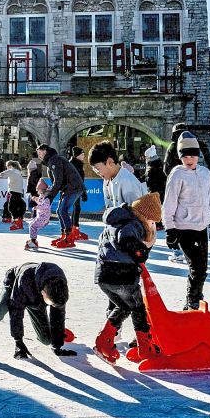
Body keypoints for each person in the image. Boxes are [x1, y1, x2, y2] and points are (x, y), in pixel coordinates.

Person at [88, 140, 161, 363]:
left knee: (128, 296)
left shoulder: (127, 182)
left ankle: (122, 336)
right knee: (127, 297)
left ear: (110, 161)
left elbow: (139, 216)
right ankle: (119, 335)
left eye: (99, 168)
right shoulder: (109, 180)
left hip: (128, 243)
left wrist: (141, 247)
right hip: (117, 247)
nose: (98, 173)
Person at [0, 262, 75, 360]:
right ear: (43, 292)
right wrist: (18, 341)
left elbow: (58, 314)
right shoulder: (25, 280)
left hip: (36, 299)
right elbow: (16, 311)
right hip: (15, 284)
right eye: (49, 303)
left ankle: (55, 332)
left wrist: (57, 345)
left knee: (47, 340)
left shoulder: (59, 285)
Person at [162, 132, 210, 311]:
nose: (189, 159)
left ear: (198, 155)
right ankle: (192, 302)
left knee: (203, 269)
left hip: (201, 227)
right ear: (180, 157)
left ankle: (196, 299)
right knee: (197, 268)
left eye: (192, 155)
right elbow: (169, 202)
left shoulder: (204, 173)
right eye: (185, 156)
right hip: (183, 228)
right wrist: (170, 229)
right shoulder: (177, 174)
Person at [37, 144, 84, 248]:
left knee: (63, 210)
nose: (38, 155)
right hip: (69, 187)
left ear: (45, 151)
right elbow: (58, 181)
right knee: (60, 211)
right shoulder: (52, 160)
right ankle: (64, 235)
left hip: (73, 187)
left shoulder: (54, 160)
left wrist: (50, 197)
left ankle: (69, 238)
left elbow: (58, 180)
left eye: (39, 152)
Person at [68, 146, 91, 240]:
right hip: (74, 189)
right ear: (77, 155)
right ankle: (73, 230)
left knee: (76, 208)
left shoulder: (77, 164)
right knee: (76, 208)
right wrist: (83, 192)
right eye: (82, 154)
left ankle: (74, 229)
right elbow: (77, 180)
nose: (83, 156)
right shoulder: (74, 164)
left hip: (76, 189)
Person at [25, 179, 53, 251]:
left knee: (32, 226)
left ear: (41, 190)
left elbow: (44, 206)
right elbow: (40, 201)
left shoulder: (47, 198)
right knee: (31, 224)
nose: (37, 191)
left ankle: (33, 242)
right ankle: (33, 240)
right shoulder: (42, 196)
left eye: (38, 190)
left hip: (43, 218)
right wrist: (35, 199)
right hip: (40, 217)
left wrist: (37, 207)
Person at [3, 160, 27, 230]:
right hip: (18, 192)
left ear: (11, 166)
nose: (7, 168)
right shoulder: (18, 172)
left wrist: (2, 173)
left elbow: (3, 174)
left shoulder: (12, 171)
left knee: (11, 207)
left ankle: (17, 222)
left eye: (8, 167)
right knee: (20, 205)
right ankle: (19, 221)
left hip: (14, 192)